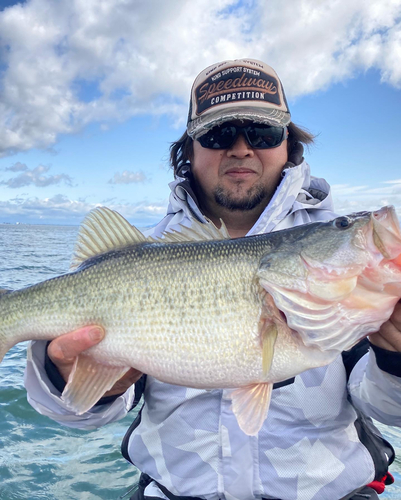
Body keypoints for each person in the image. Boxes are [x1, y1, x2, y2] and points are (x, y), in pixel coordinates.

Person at [25, 58, 401, 500]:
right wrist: (69, 376)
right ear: (189, 149)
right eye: (219, 134)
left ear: (289, 145)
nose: (241, 149)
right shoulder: (143, 255)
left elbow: (386, 409)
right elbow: (77, 415)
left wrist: (395, 361)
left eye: (262, 133)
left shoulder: (351, 290)